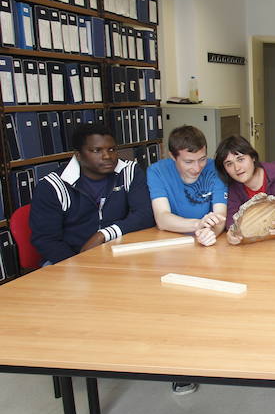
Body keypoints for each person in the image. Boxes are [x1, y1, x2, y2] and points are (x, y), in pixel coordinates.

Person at [147, 125, 227, 394]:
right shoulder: (157, 171)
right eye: (189, 161)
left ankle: (212, 355)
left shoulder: (215, 168)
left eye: (202, 159)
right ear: (173, 157)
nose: (197, 167)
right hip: (172, 247)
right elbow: (162, 218)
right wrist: (197, 225)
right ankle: (178, 366)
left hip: (210, 244)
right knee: (174, 307)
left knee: (214, 303)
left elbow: (220, 215)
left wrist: (209, 231)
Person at [29, 123, 154, 264]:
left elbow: (145, 214)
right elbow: (46, 240)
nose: (107, 156)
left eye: (112, 149)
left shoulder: (129, 171)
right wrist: (80, 264)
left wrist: (103, 235)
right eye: (96, 150)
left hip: (118, 253)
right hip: (68, 259)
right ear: (78, 155)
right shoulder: (52, 186)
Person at [214, 135, 275, 244]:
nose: (237, 168)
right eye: (229, 164)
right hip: (259, 243)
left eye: (241, 159)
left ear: (253, 157)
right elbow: (231, 218)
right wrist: (232, 231)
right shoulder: (233, 186)